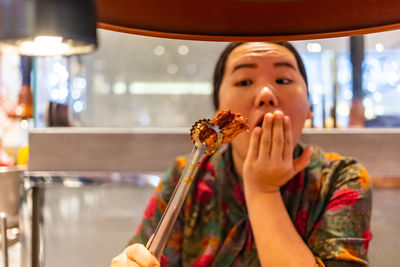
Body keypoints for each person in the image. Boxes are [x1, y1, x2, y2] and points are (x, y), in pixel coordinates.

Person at [111, 42, 372, 267]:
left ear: (309, 108)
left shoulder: (341, 179)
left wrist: (263, 189)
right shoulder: (189, 175)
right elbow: (145, 255)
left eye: (283, 80)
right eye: (244, 82)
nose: (266, 95)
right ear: (219, 110)